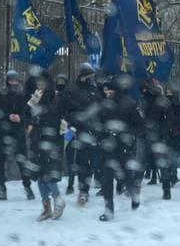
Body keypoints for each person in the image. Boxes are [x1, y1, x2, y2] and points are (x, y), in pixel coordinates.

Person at [95, 75, 144, 221]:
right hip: (107, 145)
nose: (107, 94)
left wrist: (127, 134)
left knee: (124, 174)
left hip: (123, 145)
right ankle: (108, 209)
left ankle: (133, 192)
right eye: (106, 92)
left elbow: (139, 125)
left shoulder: (129, 104)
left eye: (110, 91)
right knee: (106, 178)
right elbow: (98, 123)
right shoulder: (104, 105)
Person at [58, 62, 100, 207]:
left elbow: (99, 107)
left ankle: (85, 189)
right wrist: (74, 121)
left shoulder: (95, 89)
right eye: (89, 75)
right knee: (80, 161)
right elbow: (64, 109)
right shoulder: (72, 89)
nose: (91, 78)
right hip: (79, 130)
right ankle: (80, 189)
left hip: (93, 130)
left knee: (90, 162)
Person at [0, 69, 34, 201]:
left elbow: (28, 113)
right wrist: (8, 116)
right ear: (7, 81)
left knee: (22, 160)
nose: (13, 83)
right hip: (3, 131)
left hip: (17, 131)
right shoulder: (0, 94)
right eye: (11, 80)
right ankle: (1, 188)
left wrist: (20, 118)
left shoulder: (23, 95)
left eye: (15, 80)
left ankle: (28, 187)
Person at [27, 70, 66, 220]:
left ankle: (58, 199)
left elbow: (57, 117)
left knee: (48, 173)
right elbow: (28, 113)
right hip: (36, 139)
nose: (40, 85)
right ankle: (46, 208)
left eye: (42, 83)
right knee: (38, 173)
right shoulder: (35, 96)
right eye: (38, 83)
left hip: (51, 140)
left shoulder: (56, 97)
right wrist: (29, 122)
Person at [139, 77, 180, 200]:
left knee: (144, 162)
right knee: (159, 163)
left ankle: (164, 188)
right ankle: (166, 189)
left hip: (153, 135)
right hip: (153, 135)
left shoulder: (146, 100)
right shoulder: (154, 100)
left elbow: (169, 119)